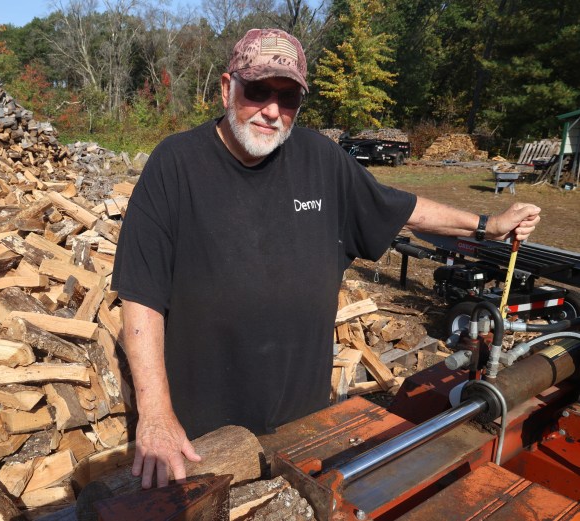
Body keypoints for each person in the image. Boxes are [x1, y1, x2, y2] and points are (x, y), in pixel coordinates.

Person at [110, 28, 541, 490]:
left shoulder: (321, 159)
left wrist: (485, 224)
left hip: (305, 427)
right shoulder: (175, 164)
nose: (272, 111)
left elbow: (399, 207)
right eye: (257, 91)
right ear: (225, 87)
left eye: (288, 97)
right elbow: (141, 294)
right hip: (204, 435)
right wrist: (155, 414)